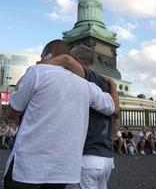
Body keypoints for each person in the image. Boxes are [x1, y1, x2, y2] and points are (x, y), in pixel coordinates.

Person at [4, 40, 115, 189]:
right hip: (64, 171)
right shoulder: (86, 85)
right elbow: (111, 107)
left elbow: (11, 112)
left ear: (51, 53)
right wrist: (112, 85)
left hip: (29, 168)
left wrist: (22, 81)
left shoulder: (37, 71)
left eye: (42, 55)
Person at [41, 44, 120, 189]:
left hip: (86, 158)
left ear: (77, 60)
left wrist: (41, 65)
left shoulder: (86, 76)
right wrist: (113, 84)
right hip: (107, 158)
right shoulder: (107, 86)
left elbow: (66, 61)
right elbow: (116, 115)